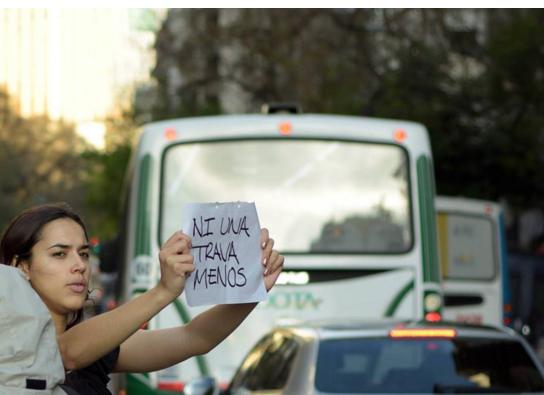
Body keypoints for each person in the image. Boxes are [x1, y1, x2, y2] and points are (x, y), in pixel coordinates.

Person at [0, 202, 284, 395]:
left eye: (83, 253)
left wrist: (250, 289)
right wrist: (163, 290)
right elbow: (66, 352)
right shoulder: (15, 344)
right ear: (21, 266)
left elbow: (195, 338)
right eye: (59, 254)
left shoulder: (96, 347)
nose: (79, 265)